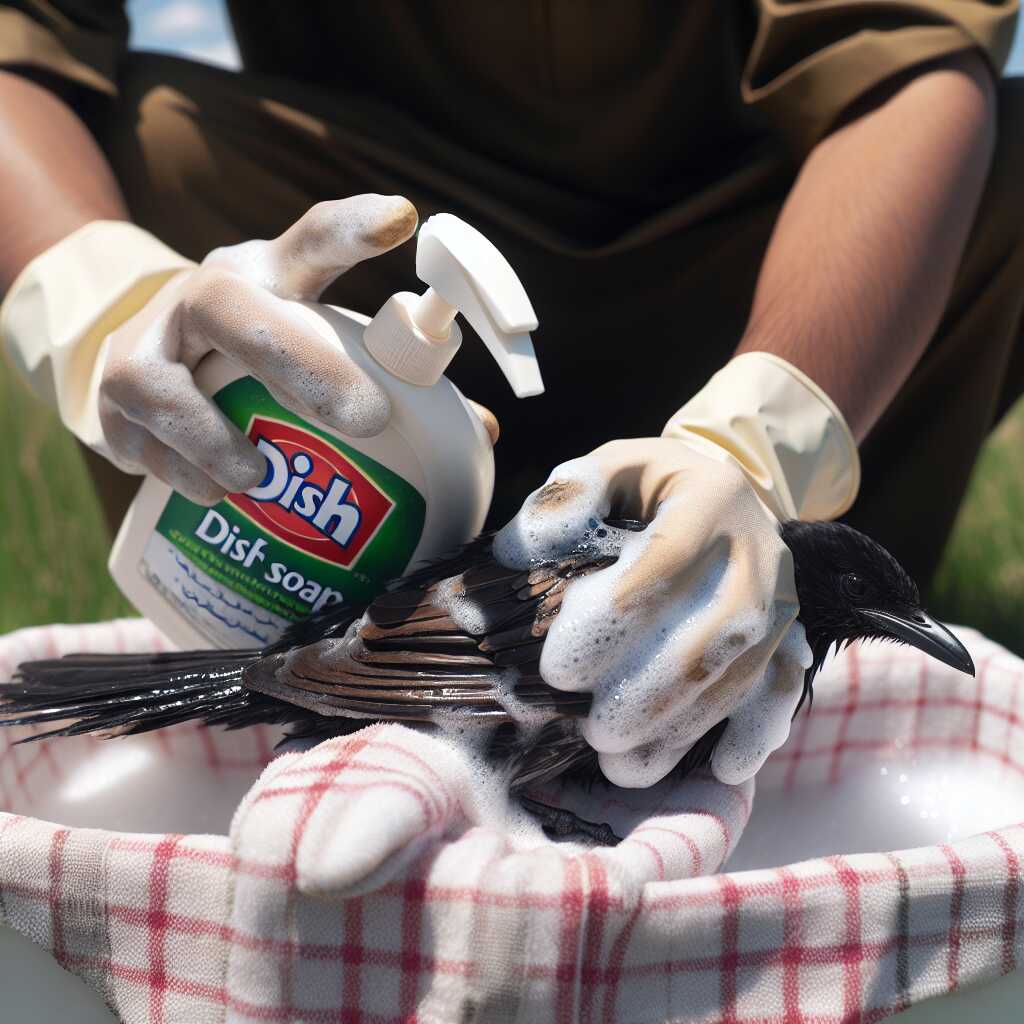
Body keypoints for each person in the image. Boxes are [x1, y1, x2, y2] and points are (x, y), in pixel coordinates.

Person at [0, 3, 1021, 777]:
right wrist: (101, 297)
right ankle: (258, 584)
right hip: (352, 296)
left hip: (756, 256)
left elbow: (906, 50)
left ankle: (724, 605)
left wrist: (753, 443)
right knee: (161, 129)